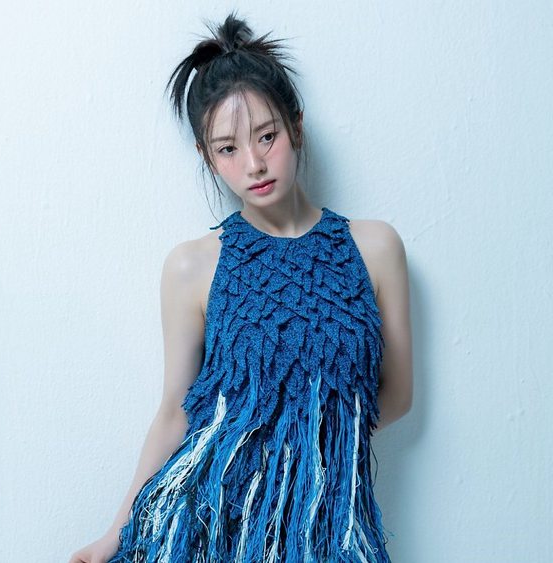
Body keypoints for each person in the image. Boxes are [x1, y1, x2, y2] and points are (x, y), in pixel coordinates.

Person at [69, 11, 412, 563]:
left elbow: (396, 395)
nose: (254, 163)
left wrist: (306, 461)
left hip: (329, 527)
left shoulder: (374, 247)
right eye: (227, 148)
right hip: (210, 524)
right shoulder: (192, 266)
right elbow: (176, 412)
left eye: (267, 136)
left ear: (296, 127)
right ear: (207, 158)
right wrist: (114, 533)